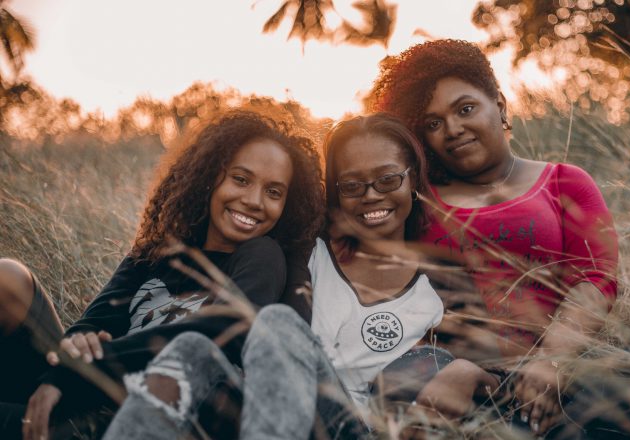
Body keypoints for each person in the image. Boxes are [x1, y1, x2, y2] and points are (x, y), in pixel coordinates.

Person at [101, 113, 490, 439]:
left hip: (361, 429)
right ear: (336, 193)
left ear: (413, 180)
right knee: (194, 348)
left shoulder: (442, 280)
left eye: (388, 180)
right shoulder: (305, 249)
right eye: (352, 185)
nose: (371, 195)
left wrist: (469, 368)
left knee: (276, 323)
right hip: (281, 413)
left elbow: (496, 364)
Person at [0, 109, 324, 440]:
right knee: (8, 278)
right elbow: (93, 323)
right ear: (211, 177)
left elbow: (228, 329)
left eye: (274, 192)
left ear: (287, 203)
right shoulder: (157, 252)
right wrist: (80, 344)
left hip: (147, 417)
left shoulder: (264, 257)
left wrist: (81, 371)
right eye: (240, 179)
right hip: (83, 391)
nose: (254, 201)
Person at [367, 39, 620, 437]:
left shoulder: (564, 182)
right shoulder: (414, 201)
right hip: (447, 382)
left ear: (499, 105)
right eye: (432, 123)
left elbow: (596, 279)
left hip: (559, 377)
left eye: (465, 109)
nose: (452, 129)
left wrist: (550, 362)